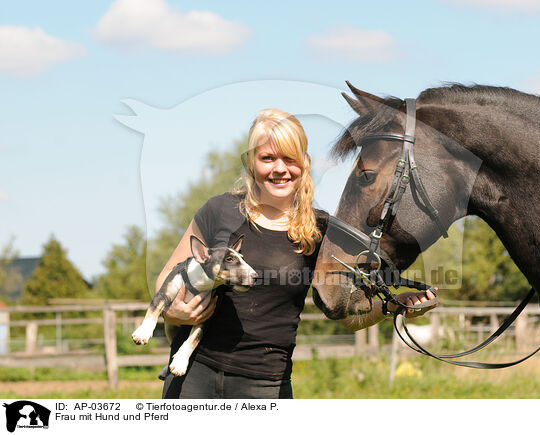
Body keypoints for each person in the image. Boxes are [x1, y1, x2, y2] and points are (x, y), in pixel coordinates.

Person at [159, 108, 437, 399]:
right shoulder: (218, 210)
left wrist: (396, 305)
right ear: (251, 163)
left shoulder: (322, 230)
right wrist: (173, 310)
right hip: (190, 376)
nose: (279, 168)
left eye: (289, 158)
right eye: (267, 158)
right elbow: (168, 276)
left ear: (304, 162)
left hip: (265, 386)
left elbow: (346, 314)